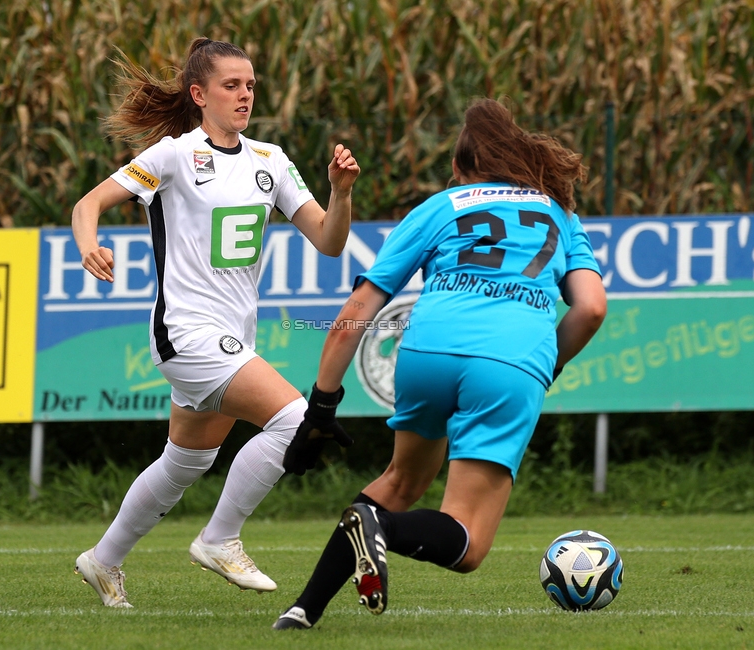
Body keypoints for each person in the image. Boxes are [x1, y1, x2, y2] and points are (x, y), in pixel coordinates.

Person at [272, 97, 607, 629]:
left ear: (458, 168)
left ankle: (302, 610)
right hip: (510, 361)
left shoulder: (439, 207)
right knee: (468, 542)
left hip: (427, 353)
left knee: (400, 482)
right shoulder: (558, 213)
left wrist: (322, 407)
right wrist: (547, 365)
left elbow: (353, 316)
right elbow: (590, 308)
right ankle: (380, 531)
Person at [70, 37, 359, 608]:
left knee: (186, 460)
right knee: (295, 420)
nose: (245, 95)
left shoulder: (270, 162)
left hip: (230, 336)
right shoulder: (172, 157)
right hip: (186, 331)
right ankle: (220, 538)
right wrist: (89, 245)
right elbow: (88, 206)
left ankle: (102, 562)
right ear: (200, 94)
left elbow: (329, 241)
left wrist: (340, 192)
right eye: (232, 85)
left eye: (250, 85)